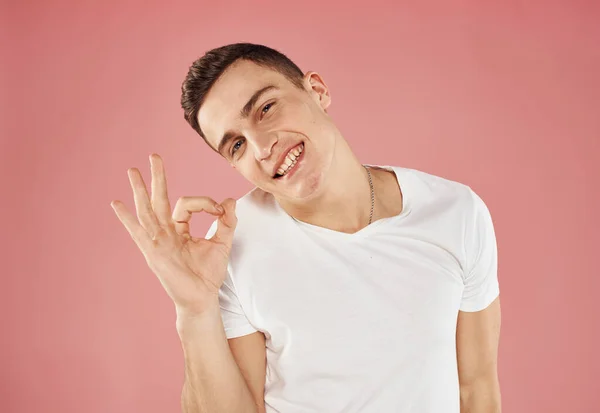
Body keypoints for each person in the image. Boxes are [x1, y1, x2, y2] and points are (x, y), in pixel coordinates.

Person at [111, 43, 501, 413]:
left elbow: (477, 387)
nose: (261, 147)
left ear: (316, 90)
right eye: (236, 146)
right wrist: (194, 311)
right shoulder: (229, 251)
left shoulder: (455, 212)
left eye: (265, 109)